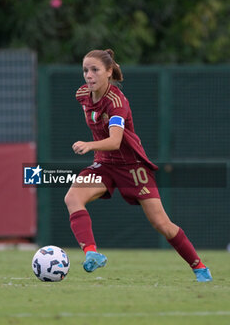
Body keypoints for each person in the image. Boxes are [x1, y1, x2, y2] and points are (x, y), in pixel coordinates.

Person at [64, 49, 212, 282]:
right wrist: (95, 150)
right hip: (104, 164)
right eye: (85, 70)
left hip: (132, 166)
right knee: (72, 198)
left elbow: (114, 141)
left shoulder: (117, 101)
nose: (89, 75)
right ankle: (92, 254)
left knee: (161, 224)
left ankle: (199, 267)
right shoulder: (82, 94)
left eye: (95, 70)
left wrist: (89, 145)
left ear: (109, 71)